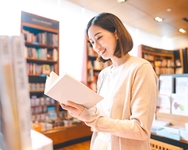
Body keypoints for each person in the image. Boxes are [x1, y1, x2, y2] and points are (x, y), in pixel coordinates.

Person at [61, 12, 158, 150]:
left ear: (116, 33)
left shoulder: (141, 68)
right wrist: (82, 109)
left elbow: (140, 129)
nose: (96, 47)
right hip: (100, 144)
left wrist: (90, 119)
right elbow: (104, 112)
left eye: (99, 37)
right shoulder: (104, 74)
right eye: (92, 42)